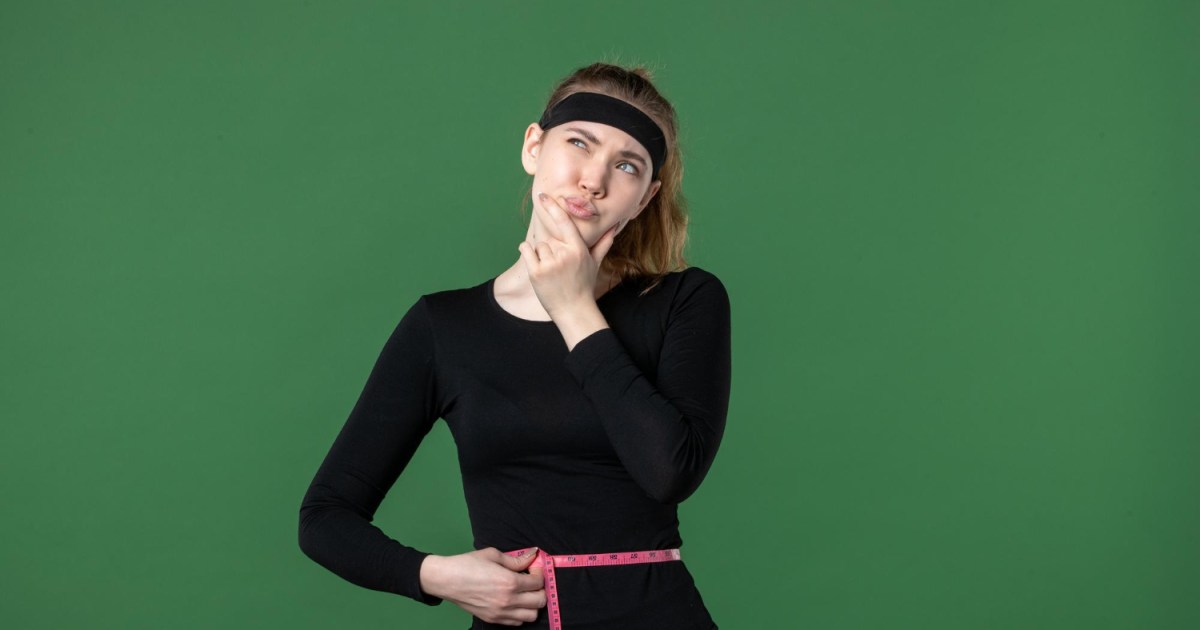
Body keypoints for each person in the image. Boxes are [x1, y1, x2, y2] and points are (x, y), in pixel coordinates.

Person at [298, 62, 732, 630]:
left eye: (626, 166)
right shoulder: (443, 327)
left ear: (645, 198)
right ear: (533, 146)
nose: (593, 180)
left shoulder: (684, 300)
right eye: (579, 143)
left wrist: (573, 308)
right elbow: (324, 519)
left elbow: (669, 472)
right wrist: (439, 575)